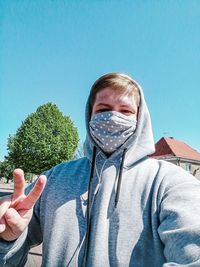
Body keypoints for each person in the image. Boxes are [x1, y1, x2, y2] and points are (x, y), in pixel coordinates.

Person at [0, 73, 200, 266]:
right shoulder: (53, 179)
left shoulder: (170, 182)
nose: (113, 117)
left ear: (140, 120)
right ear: (89, 116)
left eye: (125, 111)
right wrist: (7, 240)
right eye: (103, 109)